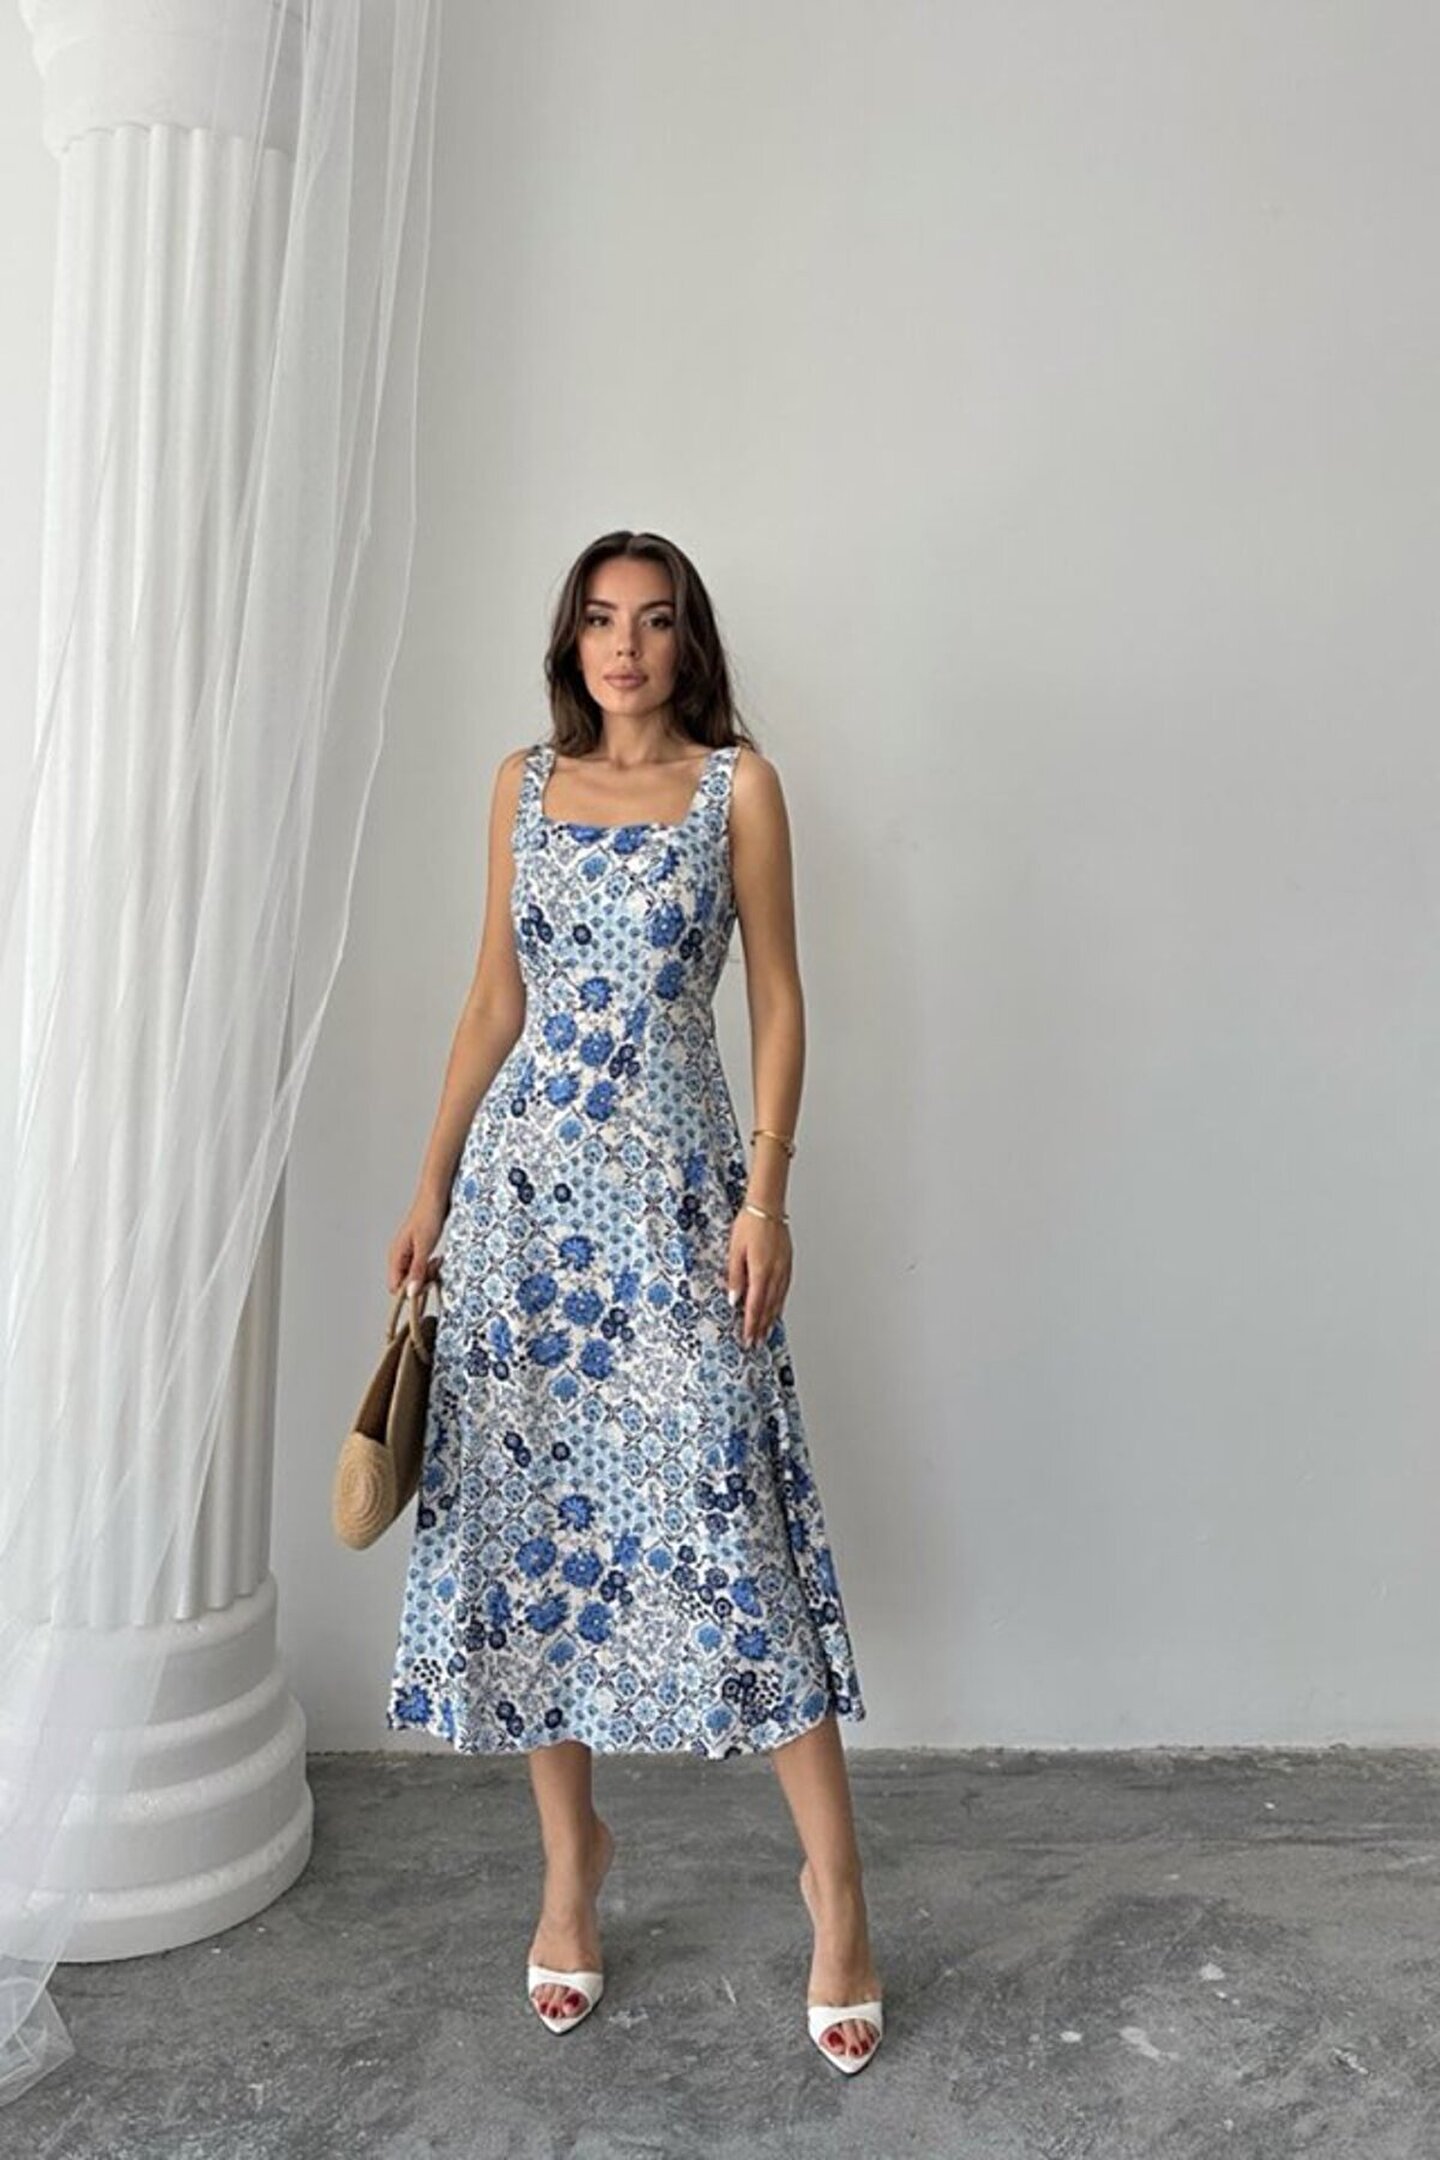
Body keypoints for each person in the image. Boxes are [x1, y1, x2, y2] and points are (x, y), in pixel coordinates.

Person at [383, 530, 884, 2071]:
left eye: (654, 622)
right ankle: (570, 1869)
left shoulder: (740, 789)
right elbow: (495, 998)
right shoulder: (522, 787)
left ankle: (838, 1889)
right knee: (539, 1542)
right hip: (526, 1210)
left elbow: (779, 999)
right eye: (601, 620)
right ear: (572, 640)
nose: (625, 646)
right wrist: (431, 1187)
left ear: (687, 644)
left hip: (678, 1211)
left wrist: (766, 1195)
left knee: (734, 1533)